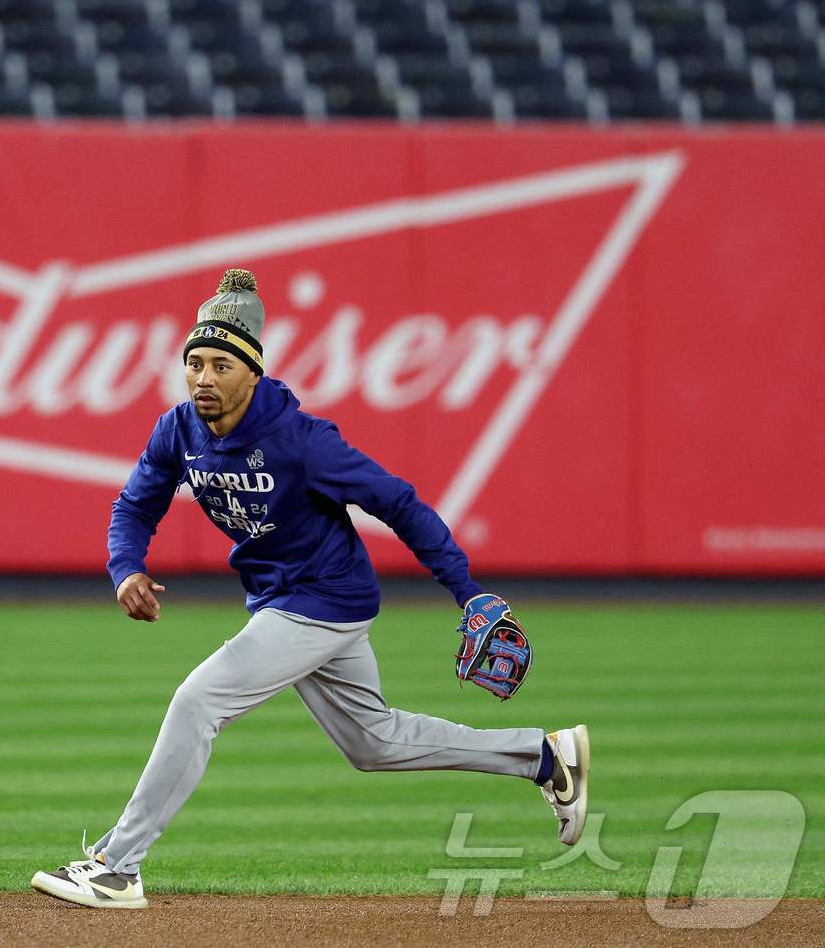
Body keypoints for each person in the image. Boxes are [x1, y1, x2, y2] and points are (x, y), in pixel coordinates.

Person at [30, 269, 588, 910]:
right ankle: (543, 756)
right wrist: (126, 567)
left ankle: (116, 867)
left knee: (197, 701)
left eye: (220, 365)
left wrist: (467, 592)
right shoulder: (178, 429)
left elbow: (399, 504)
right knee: (373, 744)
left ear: (252, 372)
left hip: (322, 600)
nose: (203, 378)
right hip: (285, 598)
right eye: (194, 363)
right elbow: (134, 504)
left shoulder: (302, 442)